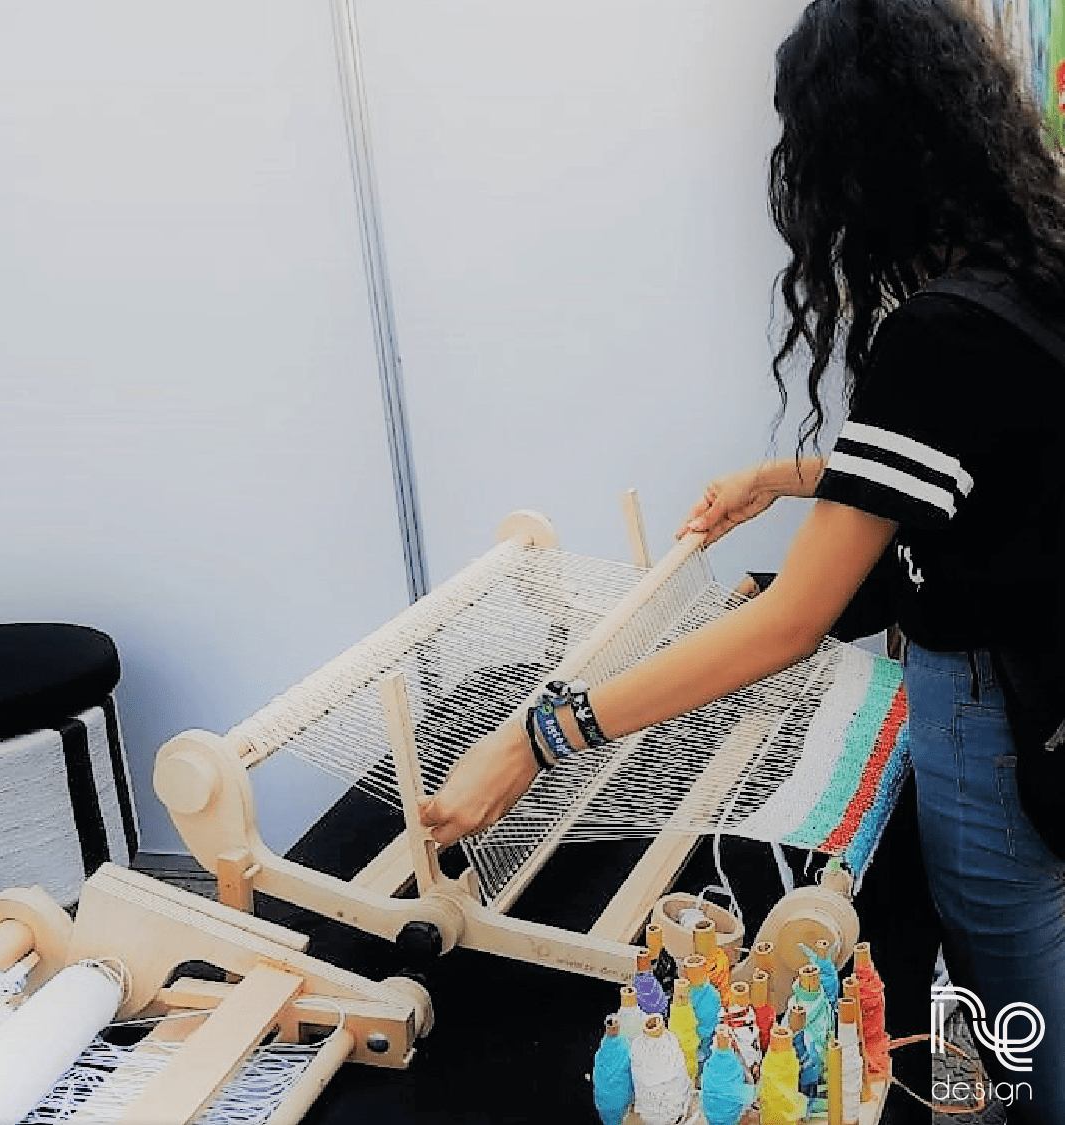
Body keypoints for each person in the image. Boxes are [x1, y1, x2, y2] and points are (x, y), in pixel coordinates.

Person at [421, 2, 1065, 1119]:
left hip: (993, 715)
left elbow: (787, 625)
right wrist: (799, 479)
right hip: (1052, 688)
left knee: (1027, 995)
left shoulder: (938, 332)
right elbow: (1003, 463)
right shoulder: (1039, 264)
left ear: (851, 151)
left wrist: (537, 739)